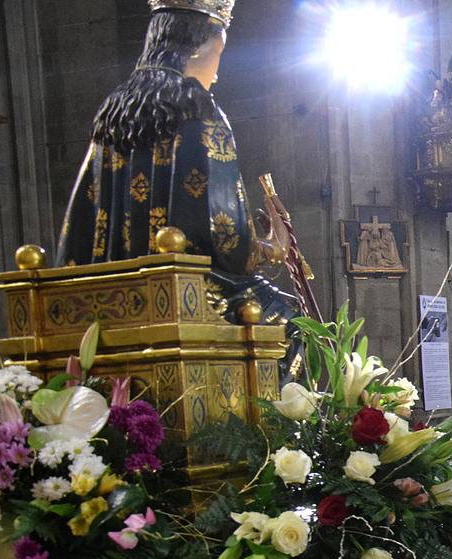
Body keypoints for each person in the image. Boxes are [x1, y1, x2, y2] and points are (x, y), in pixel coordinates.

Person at [56, 2, 292, 323]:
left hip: (109, 305)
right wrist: (273, 248)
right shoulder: (198, 106)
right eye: (219, 52)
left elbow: (79, 226)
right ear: (194, 49)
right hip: (187, 302)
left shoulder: (113, 110)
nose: (218, 72)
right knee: (292, 324)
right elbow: (227, 240)